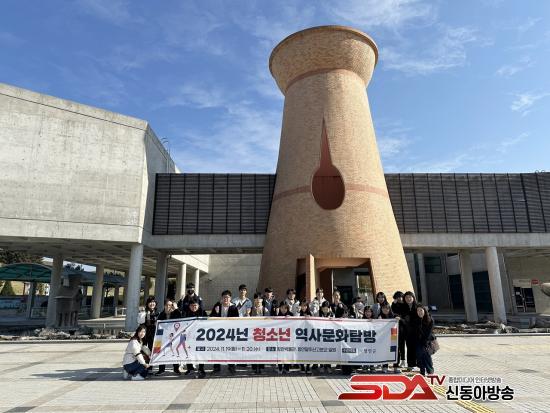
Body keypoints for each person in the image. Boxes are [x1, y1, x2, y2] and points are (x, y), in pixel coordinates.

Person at [210, 290, 239, 374]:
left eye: (227, 297)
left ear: (230, 298)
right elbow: (211, 317)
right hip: (219, 332)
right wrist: (216, 312)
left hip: (230, 332)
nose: (226, 299)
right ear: (221, 298)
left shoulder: (234, 307)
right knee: (217, 349)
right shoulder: (217, 306)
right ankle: (216, 367)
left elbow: (237, 319)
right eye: (224, 297)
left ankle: (231, 367)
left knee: (231, 350)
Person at [155, 299, 183, 376]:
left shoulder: (175, 313)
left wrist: (176, 309)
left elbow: (181, 318)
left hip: (174, 336)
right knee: (162, 352)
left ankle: (176, 368)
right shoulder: (161, 314)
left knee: (174, 351)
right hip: (163, 337)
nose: (168, 306)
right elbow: (158, 324)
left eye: (170, 305)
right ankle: (161, 369)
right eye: (167, 305)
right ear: (164, 305)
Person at [183, 298, 207, 378]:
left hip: (200, 337)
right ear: (189, 306)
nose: (194, 307)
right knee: (188, 352)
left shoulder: (203, 312)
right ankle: (190, 368)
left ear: (198, 306)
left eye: (195, 305)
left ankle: (201, 368)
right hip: (189, 337)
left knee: (201, 352)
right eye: (192, 306)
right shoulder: (186, 313)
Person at [378, 304, 400, 374]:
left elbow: (402, 320)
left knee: (395, 351)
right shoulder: (379, 316)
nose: (385, 310)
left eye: (387, 308)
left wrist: (398, 319)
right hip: (384, 338)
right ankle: (385, 366)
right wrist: (378, 320)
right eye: (383, 308)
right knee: (384, 351)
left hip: (393, 337)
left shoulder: (394, 316)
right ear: (381, 309)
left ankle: (396, 367)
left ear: (389, 309)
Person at [414, 304, 434, 376]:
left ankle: (430, 371)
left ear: (424, 311)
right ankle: (422, 371)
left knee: (426, 356)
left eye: (421, 310)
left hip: (427, 340)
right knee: (419, 356)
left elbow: (429, 332)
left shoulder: (430, 319)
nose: (419, 312)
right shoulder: (416, 320)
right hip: (418, 341)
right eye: (418, 311)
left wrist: (425, 341)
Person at [403, 291, 419, 371]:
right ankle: (410, 364)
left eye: (410, 297)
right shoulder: (403, 307)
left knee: (418, 348)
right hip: (408, 332)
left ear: (413, 297)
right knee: (409, 348)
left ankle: (420, 364)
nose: (408, 299)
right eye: (406, 297)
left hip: (417, 331)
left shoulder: (418, 306)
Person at [391, 291, 407, 368]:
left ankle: (403, 360)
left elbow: (405, 316)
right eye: (398, 297)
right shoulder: (394, 304)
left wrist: (400, 318)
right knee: (395, 344)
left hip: (402, 328)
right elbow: (392, 313)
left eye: (401, 297)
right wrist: (394, 304)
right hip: (394, 327)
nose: (400, 298)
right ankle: (396, 361)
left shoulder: (405, 305)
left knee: (402, 345)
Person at [277, 302, 292, 374]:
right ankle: (280, 368)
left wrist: (291, 318)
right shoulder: (277, 315)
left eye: (285, 308)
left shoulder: (291, 315)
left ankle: (287, 368)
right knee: (280, 353)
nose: (283, 309)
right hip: (279, 338)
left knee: (287, 353)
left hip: (288, 338)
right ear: (280, 308)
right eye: (282, 308)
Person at [318, 301, 334, 374]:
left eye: (327, 309)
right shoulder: (318, 314)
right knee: (321, 351)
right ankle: (321, 366)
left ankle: (328, 366)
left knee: (328, 351)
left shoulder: (332, 315)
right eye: (324, 309)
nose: (325, 310)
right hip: (321, 335)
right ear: (321, 309)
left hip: (329, 335)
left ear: (329, 309)